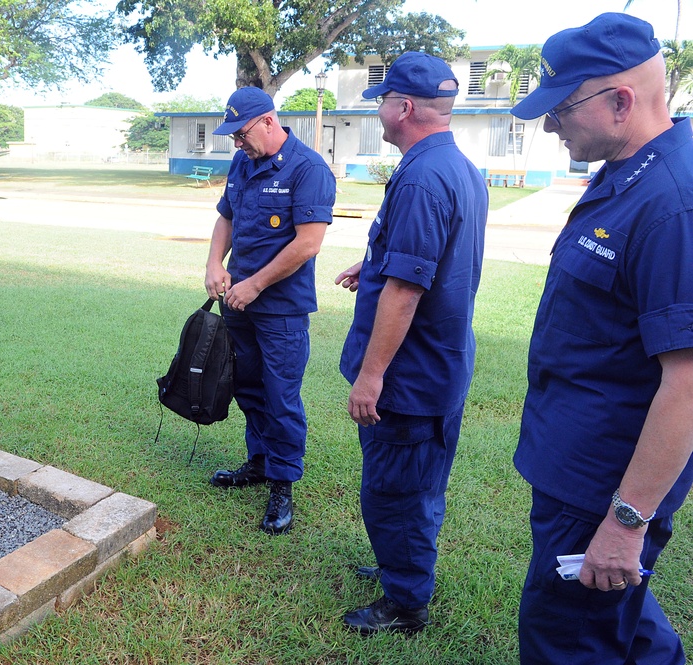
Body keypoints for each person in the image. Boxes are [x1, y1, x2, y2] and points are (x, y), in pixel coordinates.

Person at [508, 13, 693, 664]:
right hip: (576, 467)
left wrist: (624, 522)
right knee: (620, 622)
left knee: (564, 640)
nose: (549, 123)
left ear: (619, 101)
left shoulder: (673, 200)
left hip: (602, 490)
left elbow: (688, 382)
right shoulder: (624, 170)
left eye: (560, 108)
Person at [335, 52, 487, 634]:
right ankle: (401, 566)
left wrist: (372, 376)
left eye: (381, 101)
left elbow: (406, 288)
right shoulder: (452, 166)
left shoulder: (423, 176)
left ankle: (405, 603)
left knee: (398, 491)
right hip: (438, 362)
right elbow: (420, 257)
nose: (377, 111)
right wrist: (371, 263)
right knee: (412, 485)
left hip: (410, 373)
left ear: (403, 107)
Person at [205, 86, 335, 535]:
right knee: (247, 385)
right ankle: (258, 463)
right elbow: (227, 217)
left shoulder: (308, 168)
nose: (236, 144)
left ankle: (282, 484)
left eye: (240, 134)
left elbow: (309, 242)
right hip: (238, 299)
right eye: (233, 138)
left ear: (267, 121)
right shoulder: (243, 161)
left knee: (281, 396)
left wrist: (257, 284)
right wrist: (213, 265)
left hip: (279, 307)